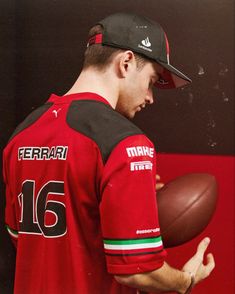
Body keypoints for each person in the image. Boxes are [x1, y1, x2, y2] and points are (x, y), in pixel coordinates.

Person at [3, 12, 215, 294]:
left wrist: (114, 200)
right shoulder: (125, 142)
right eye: (152, 80)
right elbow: (139, 271)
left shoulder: (21, 135)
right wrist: (185, 282)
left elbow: (20, 235)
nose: (151, 97)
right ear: (126, 62)